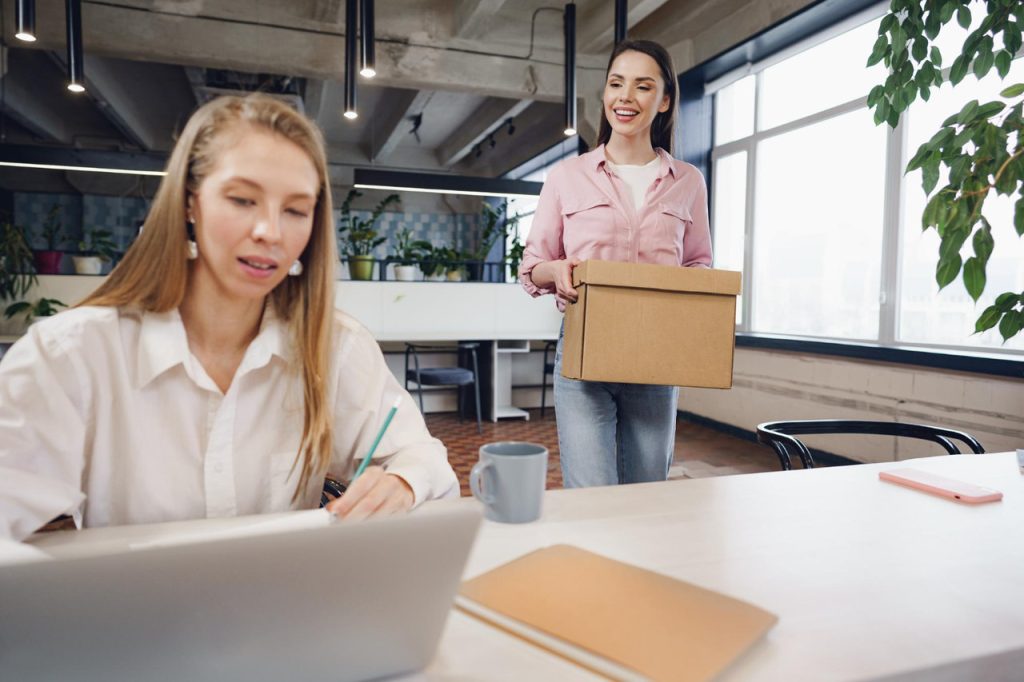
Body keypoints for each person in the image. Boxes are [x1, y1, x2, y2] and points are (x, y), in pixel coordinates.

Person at [0, 95, 458, 541]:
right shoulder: (72, 354)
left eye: (295, 210)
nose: (270, 232)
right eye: (242, 200)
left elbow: (424, 460)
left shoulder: (335, 346)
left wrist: (402, 482)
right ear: (189, 202)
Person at [519, 40, 712, 488]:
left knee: (646, 492)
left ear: (664, 101)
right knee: (591, 494)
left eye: (643, 86)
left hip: (657, 351)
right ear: (605, 93)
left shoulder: (688, 182)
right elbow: (532, 265)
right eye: (616, 83)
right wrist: (557, 271)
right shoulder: (567, 177)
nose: (626, 97)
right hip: (585, 348)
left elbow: (699, 264)